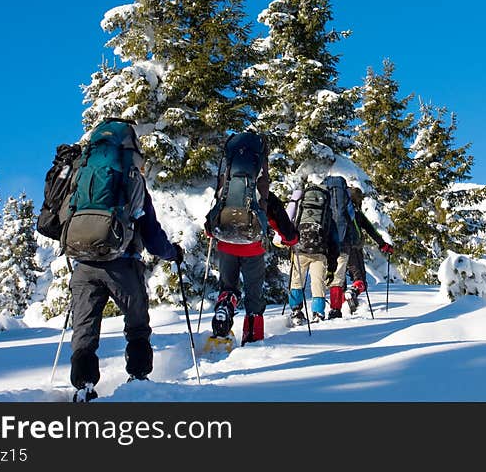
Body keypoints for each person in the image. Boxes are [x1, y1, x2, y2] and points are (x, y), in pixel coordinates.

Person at [66, 119, 183, 403]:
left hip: (84, 264)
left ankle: (83, 386)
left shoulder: (81, 174)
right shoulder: (133, 180)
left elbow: (62, 217)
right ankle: (138, 379)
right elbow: (152, 235)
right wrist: (172, 253)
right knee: (137, 326)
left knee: (84, 330)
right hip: (123, 265)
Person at [205, 132, 299, 345]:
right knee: (254, 296)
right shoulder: (262, 191)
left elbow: (213, 217)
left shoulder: (226, 188)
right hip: (253, 247)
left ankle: (225, 308)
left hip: (226, 244)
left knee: (228, 287)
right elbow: (279, 222)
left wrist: (212, 232)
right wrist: (290, 239)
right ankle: (253, 340)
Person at [288, 183, 339, 325]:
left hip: (300, 249)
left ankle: (296, 311)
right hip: (320, 252)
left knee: (297, 281)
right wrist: (332, 266)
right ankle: (318, 313)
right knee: (318, 283)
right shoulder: (327, 214)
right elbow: (334, 240)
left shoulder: (300, 208)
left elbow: (290, 225)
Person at [343, 184, 393, 314]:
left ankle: (339, 306)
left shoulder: (336, 211)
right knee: (360, 280)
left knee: (338, 280)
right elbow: (371, 230)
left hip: (336, 248)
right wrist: (384, 245)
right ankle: (352, 292)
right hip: (353, 248)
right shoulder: (357, 213)